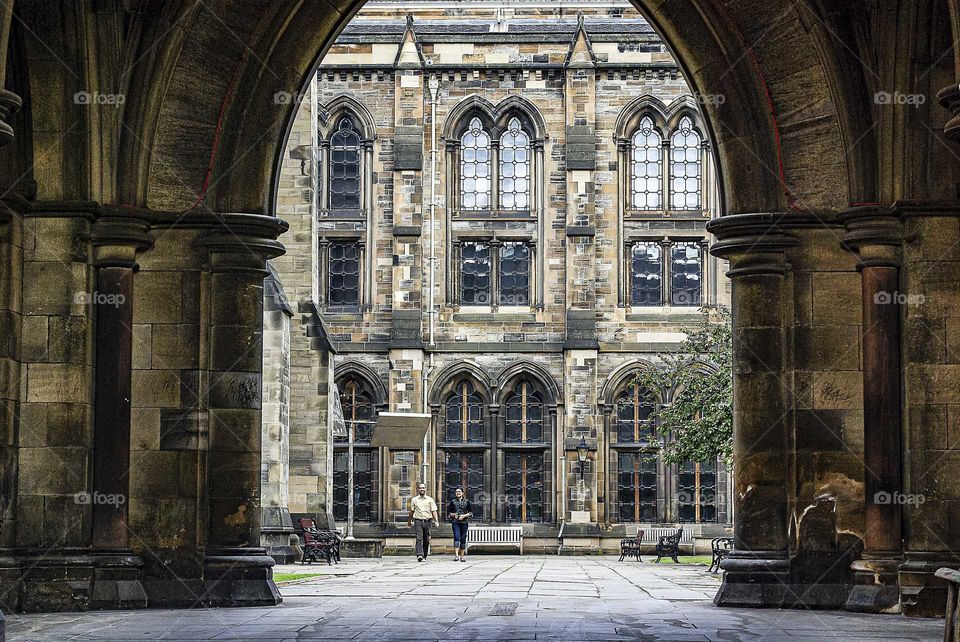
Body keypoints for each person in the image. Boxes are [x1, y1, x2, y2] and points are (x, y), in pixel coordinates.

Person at [407, 482, 439, 562]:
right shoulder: (414, 500)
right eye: (420, 488)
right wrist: (409, 521)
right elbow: (411, 511)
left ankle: (424, 555)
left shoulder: (430, 499)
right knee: (419, 538)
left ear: (425, 489)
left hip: (428, 521)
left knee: (427, 540)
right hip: (418, 521)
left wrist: (436, 521)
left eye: (423, 488)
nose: (422, 489)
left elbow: (434, 511)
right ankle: (419, 555)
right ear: (418, 489)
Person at [447, 486, 473, 562]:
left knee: (463, 538)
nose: (457, 493)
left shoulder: (467, 501)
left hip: (464, 522)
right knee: (456, 537)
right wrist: (454, 515)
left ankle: (462, 556)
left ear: (462, 493)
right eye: (456, 492)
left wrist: (464, 516)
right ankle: (456, 555)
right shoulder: (452, 502)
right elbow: (449, 513)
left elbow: (471, 513)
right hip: (455, 522)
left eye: (459, 491)